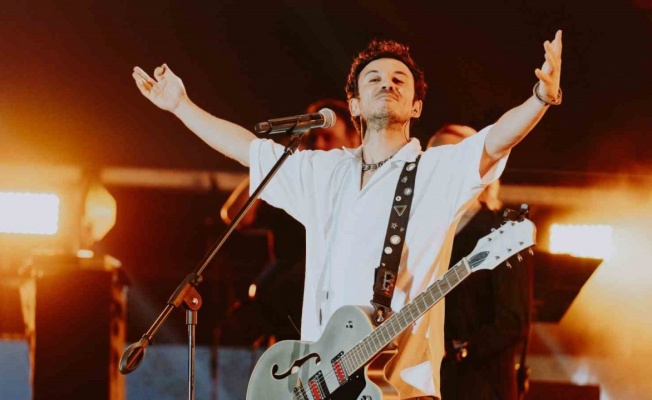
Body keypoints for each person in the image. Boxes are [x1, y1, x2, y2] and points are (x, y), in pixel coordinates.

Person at [132, 30, 562, 400]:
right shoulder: (324, 172)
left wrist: (541, 98)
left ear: (416, 107)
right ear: (353, 105)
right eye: (374, 78)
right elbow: (247, 148)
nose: (387, 83)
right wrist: (181, 105)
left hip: (397, 390)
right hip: (314, 382)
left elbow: (496, 140)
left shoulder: (435, 171)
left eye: (399, 79)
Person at [219, 98, 360, 341]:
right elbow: (235, 215)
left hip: (337, 317)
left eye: (328, 137)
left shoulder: (360, 188)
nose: (319, 144)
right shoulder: (296, 182)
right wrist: (273, 162)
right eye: (314, 138)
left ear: (354, 140)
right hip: (286, 316)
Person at [429, 124, 532, 400]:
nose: (442, 164)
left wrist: (459, 348)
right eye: (434, 157)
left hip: (480, 384)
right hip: (426, 382)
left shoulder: (504, 231)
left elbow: (513, 320)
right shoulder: (420, 233)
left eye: (453, 154)